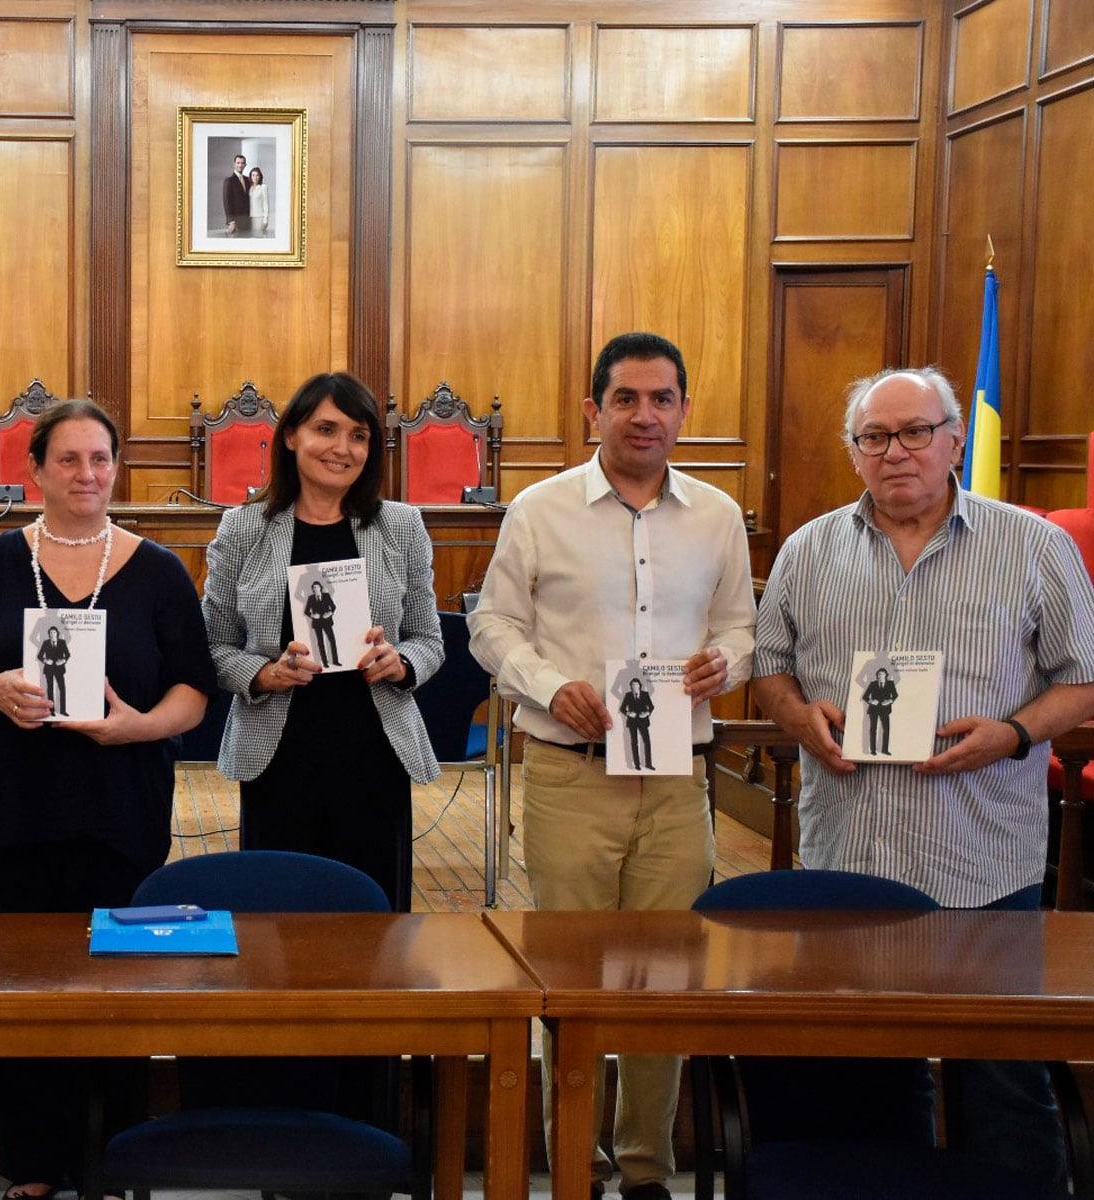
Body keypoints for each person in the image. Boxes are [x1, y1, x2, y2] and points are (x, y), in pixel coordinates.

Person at [754, 365, 1094, 1191]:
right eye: (875, 437)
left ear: (955, 440)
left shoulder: (1034, 544)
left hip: (981, 858)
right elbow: (769, 669)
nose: (896, 452)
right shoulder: (809, 549)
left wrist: (1012, 733)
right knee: (867, 1081)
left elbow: (1082, 677)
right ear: (854, 451)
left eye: (915, 432)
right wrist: (802, 719)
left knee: (1003, 1084)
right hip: (851, 861)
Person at [467, 331, 755, 1200]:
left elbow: (743, 625)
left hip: (676, 782)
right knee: (576, 982)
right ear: (593, 410)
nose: (644, 415)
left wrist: (726, 664)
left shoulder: (716, 517)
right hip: (569, 774)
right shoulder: (541, 509)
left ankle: (645, 1171)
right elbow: (492, 625)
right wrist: (550, 687)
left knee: (666, 979)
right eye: (625, 399)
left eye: (661, 399)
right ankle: (578, 1168)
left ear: (684, 411)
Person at [0, 398, 215, 1200]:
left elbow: (197, 687)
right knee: (17, 987)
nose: (88, 474)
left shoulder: (157, 570)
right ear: (35, 470)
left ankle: (117, 1156)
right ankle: (32, 1166)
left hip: (121, 807)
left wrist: (139, 727)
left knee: (121, 982)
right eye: (69, 460)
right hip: (14, 813)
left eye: (101, 459)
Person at [202, 370, 443, 912]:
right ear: (291, 436)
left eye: (358, 436)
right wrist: (264, 673)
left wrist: (400, 662)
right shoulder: (243, 528)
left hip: (375, 753)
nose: (342, 448)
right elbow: (214, 646)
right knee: (278, 920)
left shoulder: (400, 526)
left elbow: (430, 639)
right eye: (326, 430)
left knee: (375, 923)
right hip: (279, 756)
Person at [619, 676, 654, 771]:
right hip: (632, 722)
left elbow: (651, 706)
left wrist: (646, 713)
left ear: (640, 685)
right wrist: (629, 713)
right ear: (631, 686)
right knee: (634, 743)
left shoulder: (645, 694)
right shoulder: (628, 695)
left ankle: (648, 764)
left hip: (643, 721)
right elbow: (622, 708)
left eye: (636, 684)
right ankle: (637, 765)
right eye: (633, 685)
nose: (634, 686)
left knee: (647, 742)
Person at [304, 579, 339, 668]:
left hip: (327, 621)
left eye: (317, 587)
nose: (316, 589)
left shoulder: (326, 596)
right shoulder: (310, 598)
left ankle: (335, 661)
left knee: (332, 640)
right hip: (317, 623)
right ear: (312, 589)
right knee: (320, 642)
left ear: (320, 588)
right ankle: (325, 663)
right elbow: (306, 611)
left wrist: (330, 613)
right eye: (314, 587)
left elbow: (333, 606)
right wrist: (313, 615)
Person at [863, 667, 897, 756]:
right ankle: (873, 750)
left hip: (885, 709)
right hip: (874, 709)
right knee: (873, 729)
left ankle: (885, 750)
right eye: (879, 675)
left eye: (882, 674)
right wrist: (871, 701)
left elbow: (895, 695)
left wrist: (889, 701)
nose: (881, 676)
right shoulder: (872, 684)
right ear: (877, 676)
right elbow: (865, 696)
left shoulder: (890, 684)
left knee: (886, 729)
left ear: (886, 675)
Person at [38, 624, 70, 715]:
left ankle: (63, 710)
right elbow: (40, 655)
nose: (52, 634)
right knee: (50, 689)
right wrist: (45, 660)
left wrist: (63, 660)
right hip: (49, 669)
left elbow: (67, 654)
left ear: (57, 633)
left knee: (62, 688)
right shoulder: (46, 643)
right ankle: (51, 710)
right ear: (49, 634)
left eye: (54, 632)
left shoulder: (62, 642)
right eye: (51, 632)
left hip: (59, 669)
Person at [222, 153, 251, 235]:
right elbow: (227, 202)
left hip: (247, 220)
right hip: (236, 221)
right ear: (234, 164)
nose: (240, 165)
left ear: (245, 165)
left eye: (242, 163)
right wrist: (231, 222)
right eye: (238, 163)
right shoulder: (229, 181)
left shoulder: (248, 180)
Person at [248, 165, 270, 235]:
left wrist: (265, 220)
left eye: (257, 175)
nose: (255, 177)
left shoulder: (263, 187)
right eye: (253, 175)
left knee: (258, 237)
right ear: (251, 177)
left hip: (259, 217)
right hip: (249, 217)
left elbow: (266, 204)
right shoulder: (249, 188)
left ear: (260, 176)